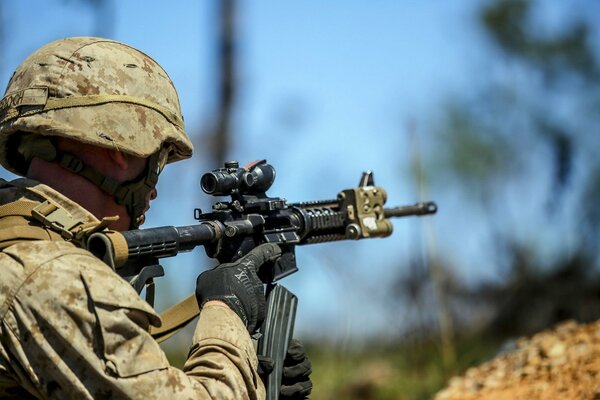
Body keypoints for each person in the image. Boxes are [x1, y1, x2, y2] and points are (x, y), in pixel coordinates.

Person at [0, 37, 311, 399]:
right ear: (122, 145)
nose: (154, 189)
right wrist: (226, 313)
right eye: (159, 158)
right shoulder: (50, 275)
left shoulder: (20, 247)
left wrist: (250, 377)